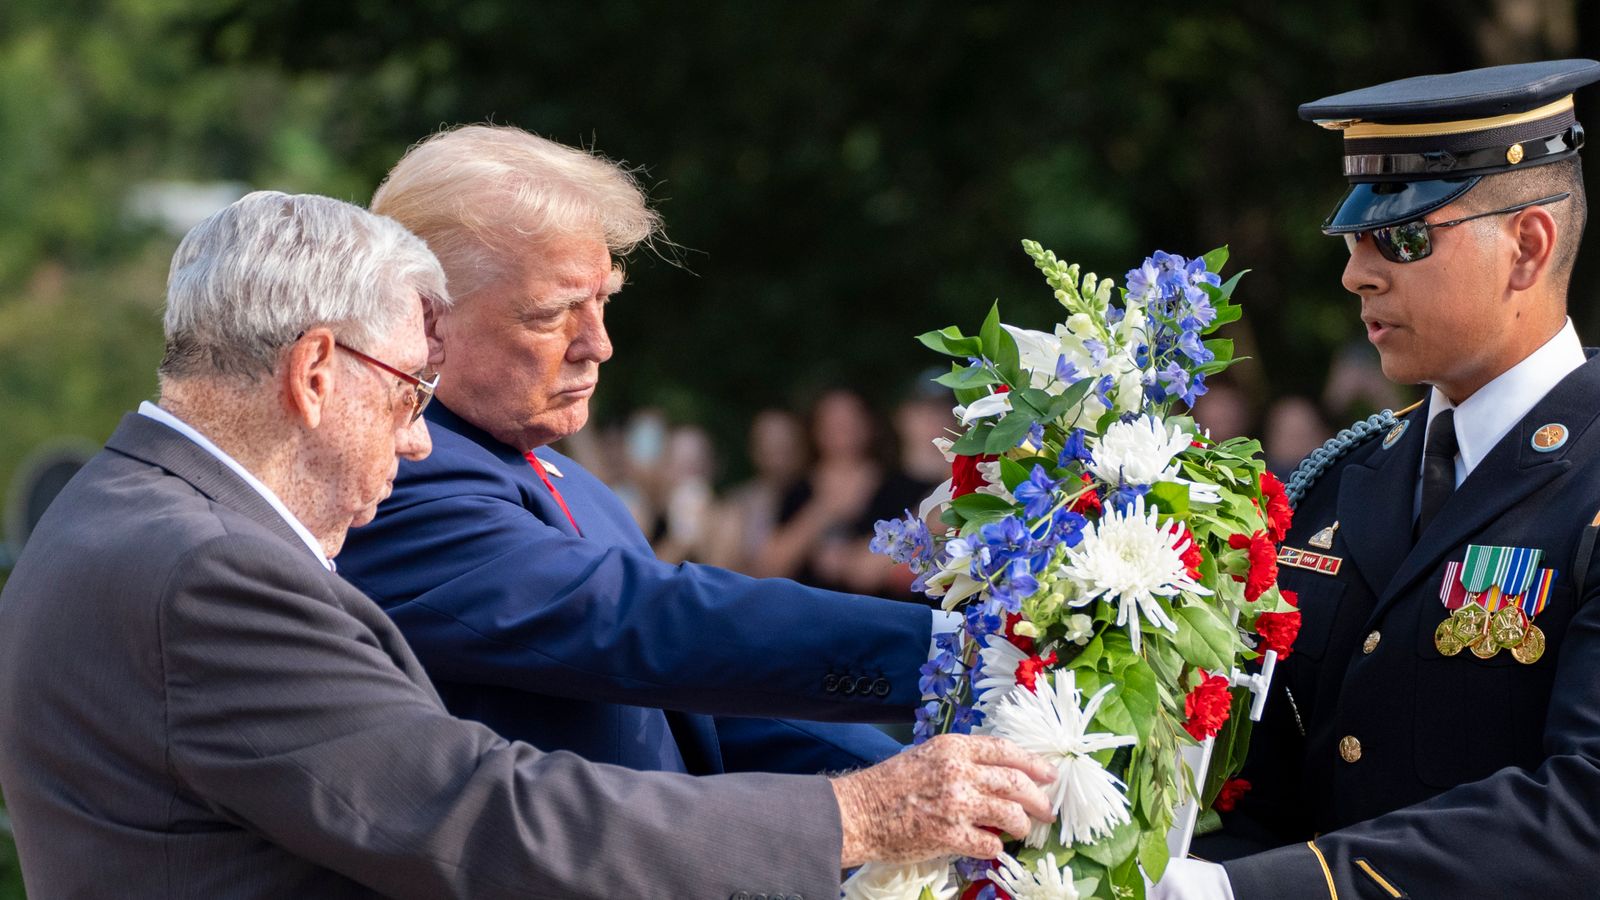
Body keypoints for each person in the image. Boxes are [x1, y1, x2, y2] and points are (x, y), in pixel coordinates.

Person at [0, 191, 1057, 898]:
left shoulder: (135, 517)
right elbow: (477, 811)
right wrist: (855, 817)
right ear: (316, 372)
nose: (419, 435)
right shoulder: (202, 569)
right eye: (414, 389)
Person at [338, 127, 960, 778]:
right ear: (425, 319)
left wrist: (935, 787)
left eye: (604, 301)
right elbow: (649, 624)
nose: (598, 343)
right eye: (554, 314)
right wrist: (954, 655)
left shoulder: (564, 478)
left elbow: (705, 717)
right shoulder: (397, 475)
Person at [1168, 59, 1600, 899]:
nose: (1357, 274)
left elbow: (1583, 811)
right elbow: (1260, 782)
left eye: (1402, 238)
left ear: (1528, 245)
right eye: (1356, 240)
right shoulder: (1347, 478)